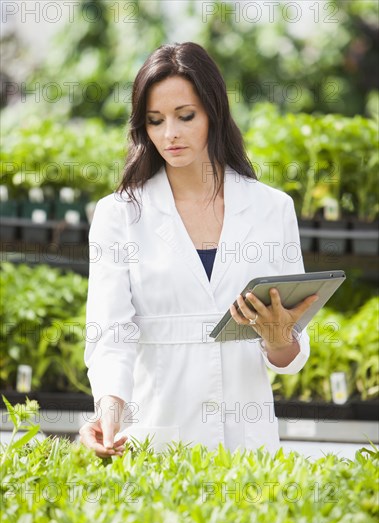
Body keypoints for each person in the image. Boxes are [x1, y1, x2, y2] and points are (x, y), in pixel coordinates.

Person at [79, 42, 318, 458]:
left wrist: (281, 339)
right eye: (155, 121)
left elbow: (291, 350)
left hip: (247, 444)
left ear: (214, 113)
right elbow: (110, 336)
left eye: (185, 116)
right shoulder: (118, 215)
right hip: (158, 437)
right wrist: (109, 411)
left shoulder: (271, 208)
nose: (169, 134)